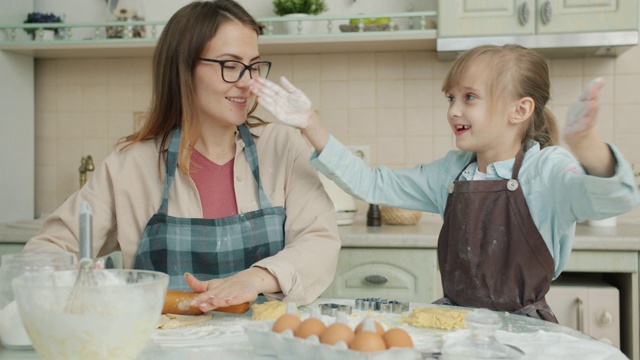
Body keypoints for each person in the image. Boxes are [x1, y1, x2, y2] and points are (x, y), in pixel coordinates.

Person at [250, 44, 640, 322]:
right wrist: (311, 124)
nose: (453, 110)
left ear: (519, 110)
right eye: (450, 98)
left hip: (526, 333)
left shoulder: (547, 171)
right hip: (455, 325)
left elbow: (615, 197)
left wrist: (585, 144)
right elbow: (370, 182)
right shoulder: (451, 173)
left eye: (469, 97)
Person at [23, 0, 340, 311]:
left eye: (254, 66)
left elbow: (319, 241)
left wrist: (255, 278)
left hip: (266, 343)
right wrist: (77, 280)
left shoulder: (282, 146)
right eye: (230, 66)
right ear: (182, 69)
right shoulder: (131, 164)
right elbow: (47, 250)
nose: (247, 82)